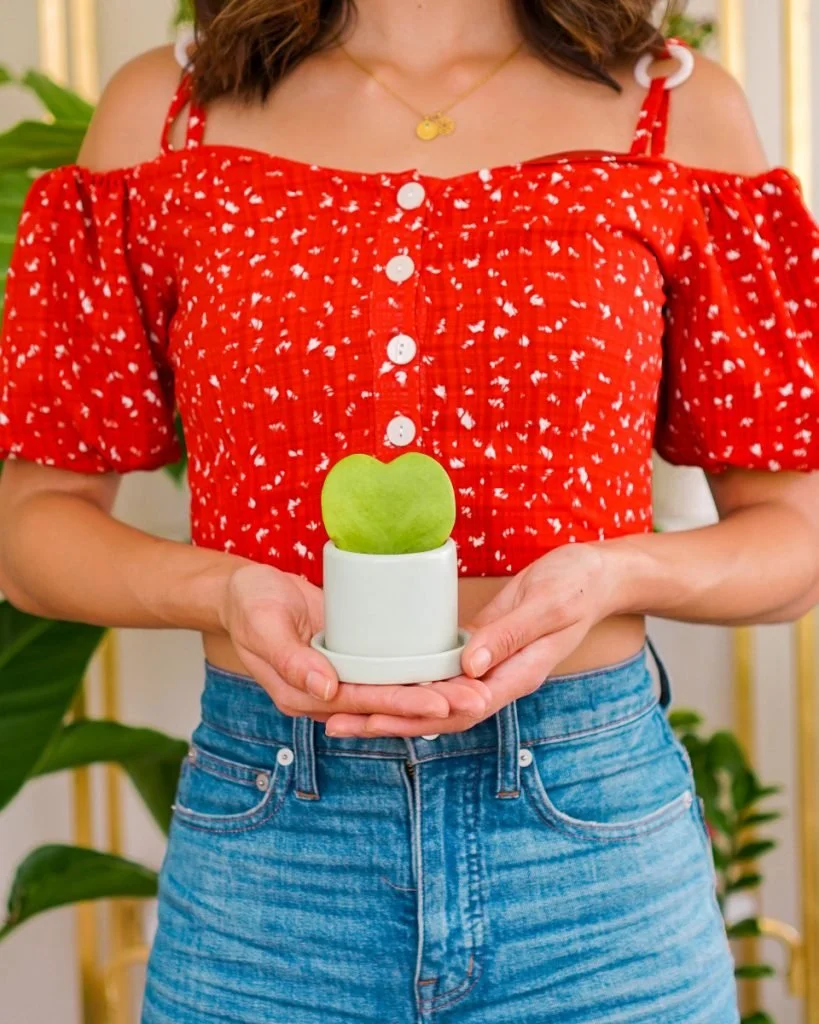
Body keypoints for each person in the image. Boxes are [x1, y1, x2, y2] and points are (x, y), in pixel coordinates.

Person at [1, 1, 818, 1020]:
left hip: (595, 857)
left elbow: (794, 540)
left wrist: (617, 572)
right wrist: (221, 589)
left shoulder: (675, 112)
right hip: (272, 853)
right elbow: (36, 530)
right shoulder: (164, 119)